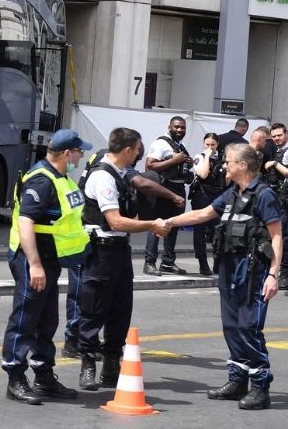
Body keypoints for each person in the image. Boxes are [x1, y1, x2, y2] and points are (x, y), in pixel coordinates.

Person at [165, 143, 283, 410]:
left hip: (253, 270)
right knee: (231, 325)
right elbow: (204, 213)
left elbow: (276, 237)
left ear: (242, 165)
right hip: (229, 267)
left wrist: (273, 275)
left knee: (248, 327)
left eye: (228, 161)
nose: (224, 166)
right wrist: (170, 221)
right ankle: (238, 379)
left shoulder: (264, 195)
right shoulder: (232, 193)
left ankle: (260, 386)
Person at [61, 143, 184, 358]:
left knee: (93, 296)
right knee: (84, 294)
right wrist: (173, 197)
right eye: (136, 158)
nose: (135, 164)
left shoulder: (103, 160)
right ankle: (75, 342)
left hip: (86, 232)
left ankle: (84, 341)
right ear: (128, 152)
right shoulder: (109, 169)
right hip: (88, 236)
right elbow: (141, 184)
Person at [1, 129, 91, 405]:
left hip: (50, 259)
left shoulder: (60, 177)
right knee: (25, 319)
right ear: (67, 153)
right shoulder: (42, 180)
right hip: (33, 259)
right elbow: (25, 222)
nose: (81, 156)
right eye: (79, 152)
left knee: (46, 320)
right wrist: (35, 265)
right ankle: (15, 379)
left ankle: (43, 376)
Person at [77, 127, 170, 390]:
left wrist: (151, 218)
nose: (140, 154)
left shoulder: (120, 175)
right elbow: (115, 222)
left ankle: (111, 366)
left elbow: (130, 215)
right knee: (94, 308)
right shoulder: (103, 176)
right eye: (138, 149)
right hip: (101, 250)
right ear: (128, 150)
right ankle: (88, 364)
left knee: (120, 309)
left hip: (119, 250)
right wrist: (151, 225)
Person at [143, 116, 192, 275]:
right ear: (169, 127)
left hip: (179, 188)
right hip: (164, 188)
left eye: (182, 127)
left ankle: (168, 262)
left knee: (174, 225)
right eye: (176, 127)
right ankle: (149, 262)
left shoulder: (180, 146)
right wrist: (174, 160)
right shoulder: (160, 143)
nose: (180, 130)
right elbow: (149, 165)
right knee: (157, 225)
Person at [189, 133, 225, 276]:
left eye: (213, 145)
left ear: (217, 145)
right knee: (200, 231)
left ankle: (217, 262)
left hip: (217, 196)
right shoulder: (200, 157)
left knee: (218, 230)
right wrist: (208, 156)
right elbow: (203, 175)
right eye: (207, 144)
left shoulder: (222, 159)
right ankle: (202, 264)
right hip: (202, 196)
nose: (210, 147)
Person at [263, 123, 288, 288]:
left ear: (286, 134)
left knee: (283, 235)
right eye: (274, 136)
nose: (277, 138)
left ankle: (284, 272)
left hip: (284, 199)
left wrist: (274, 164)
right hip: (277, 197)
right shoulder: (278, 151)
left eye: (280, 135)